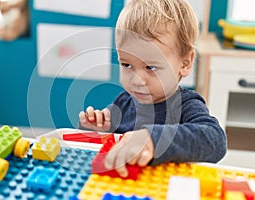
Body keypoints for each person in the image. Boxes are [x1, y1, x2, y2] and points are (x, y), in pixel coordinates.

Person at [79, 0, 227, 178]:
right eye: (127, 64)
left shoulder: (187, 105)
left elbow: (215, 140)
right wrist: (93, 130)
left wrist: (152, 139)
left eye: (151, 67)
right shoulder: (122, 103)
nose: (137, 80)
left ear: (185, 63)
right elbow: (101, 147)